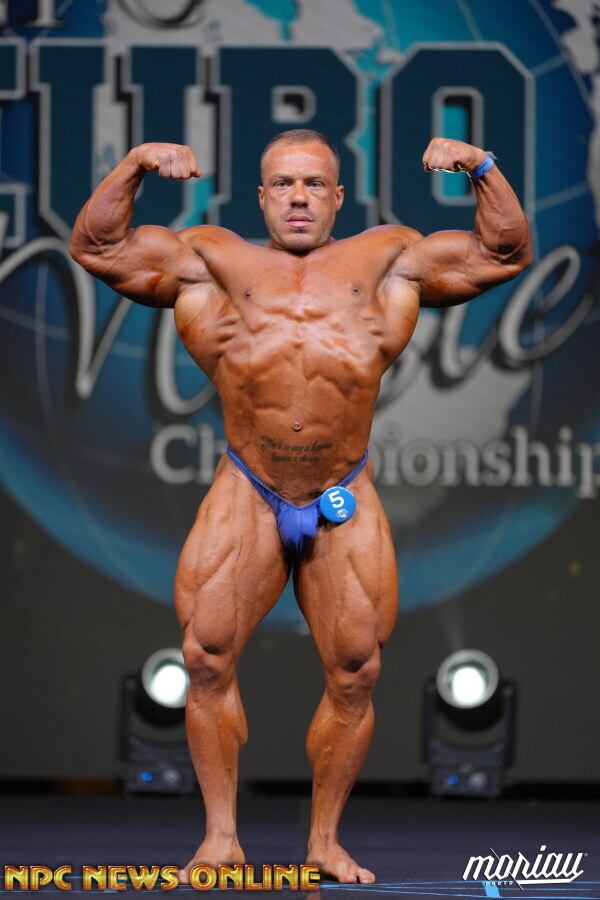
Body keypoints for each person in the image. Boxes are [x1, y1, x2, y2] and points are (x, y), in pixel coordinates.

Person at [70, 129, 531, 883]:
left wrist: (481, 165)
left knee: (355, 671)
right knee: (204, 657)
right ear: (261, 196)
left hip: (342, 490)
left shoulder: (388, 258)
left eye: (314, 184)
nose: (298, 198)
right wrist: (135, 163)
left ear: (338, 197)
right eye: (283, 184)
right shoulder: (212, 259)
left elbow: (504, 252)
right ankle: (221, 837)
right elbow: (97, 247)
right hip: (248, 488)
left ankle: (324, 841)